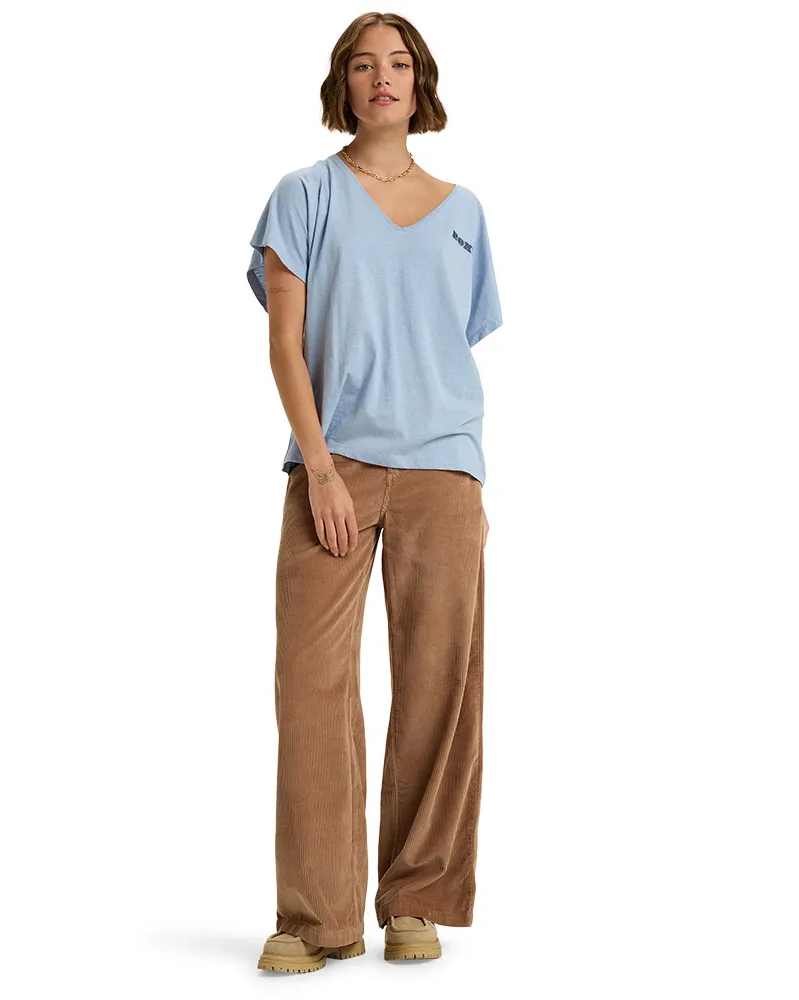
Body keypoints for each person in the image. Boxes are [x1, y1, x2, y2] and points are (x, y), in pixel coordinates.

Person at [246, 12, 503, 974]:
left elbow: (449, 342)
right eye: (363, 64)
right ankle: (317, 916)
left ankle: (416, 899)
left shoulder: (465, 211)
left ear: (420, 82)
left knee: (440, 684)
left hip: (445, 467)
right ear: (343, 85)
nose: (382, 76)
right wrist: (319, 467)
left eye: (399, 62)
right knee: (311, 684)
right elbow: (285, 345)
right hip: (333, 464)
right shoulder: (303, 195)